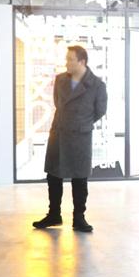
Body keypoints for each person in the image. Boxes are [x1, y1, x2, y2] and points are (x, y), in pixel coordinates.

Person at [32, 45, 107, 232]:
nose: (66, 63)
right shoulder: (60, 80)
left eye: (70, 59)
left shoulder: (97, 85)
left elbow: (100, 111)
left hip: (80, 135)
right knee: (53, 176)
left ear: (82, 62)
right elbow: (57, 102)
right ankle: (54, 214)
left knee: (79, 178)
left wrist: (81, 122)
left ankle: (79, 218)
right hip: (59, 132)